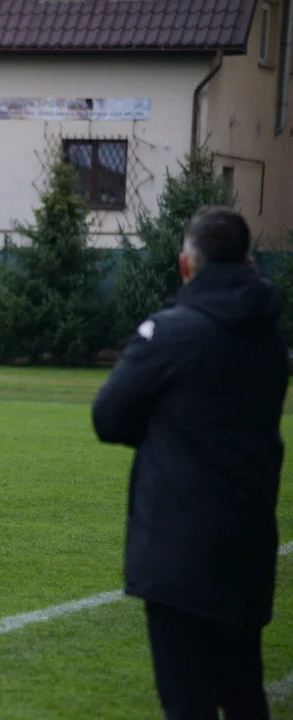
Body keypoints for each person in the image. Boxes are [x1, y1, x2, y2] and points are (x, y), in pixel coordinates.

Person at [92, 206, 287, 720]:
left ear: (186, 265)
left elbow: (109, 418)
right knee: (245, 693)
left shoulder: (172, 332)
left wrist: (160, 431)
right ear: (249, 262)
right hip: (249, 538)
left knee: (188, 702)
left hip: (181, 546)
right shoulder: (270, 336)